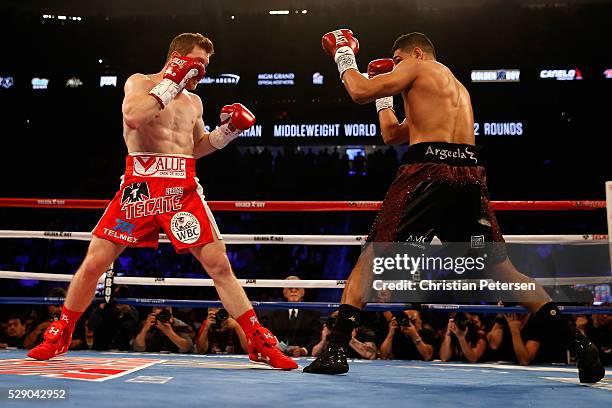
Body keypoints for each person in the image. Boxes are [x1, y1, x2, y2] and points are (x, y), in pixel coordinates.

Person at [304, 29, 604, 383]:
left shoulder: (419, 68)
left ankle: (336, 349)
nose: (394, 71)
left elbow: (357, 91)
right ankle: (579, 343)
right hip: (469, 178)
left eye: (397, 62)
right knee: (502, 271)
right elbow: (391, 134)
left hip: (427, 173)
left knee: (371, 261)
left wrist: (344, 55)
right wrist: (384, 98)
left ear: (416, 53)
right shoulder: (456, 89)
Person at [27, 32, 297, 370]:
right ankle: (62, 332)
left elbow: (195, 146)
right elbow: (133, 117)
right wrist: (171, 82)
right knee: (95, 261)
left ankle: (257, 339)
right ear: (178, 58)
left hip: (181, 187)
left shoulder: (195, 103)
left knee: (219, 264)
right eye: (199, 63)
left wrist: (227, 132)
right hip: (140, 185)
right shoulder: (140, 83)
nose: (203, 72)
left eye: (206, 66)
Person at [264, 276, 321, 357]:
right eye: (290, 287)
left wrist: (304, 350)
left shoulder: (313, 314)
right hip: (278, 355)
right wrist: (281, 348)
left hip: (304, 358)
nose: (293, 290)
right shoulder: (273, 314)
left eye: (297, 287)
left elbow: (316, 337)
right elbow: (270, 335)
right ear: (284, 292)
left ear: (303, 292)